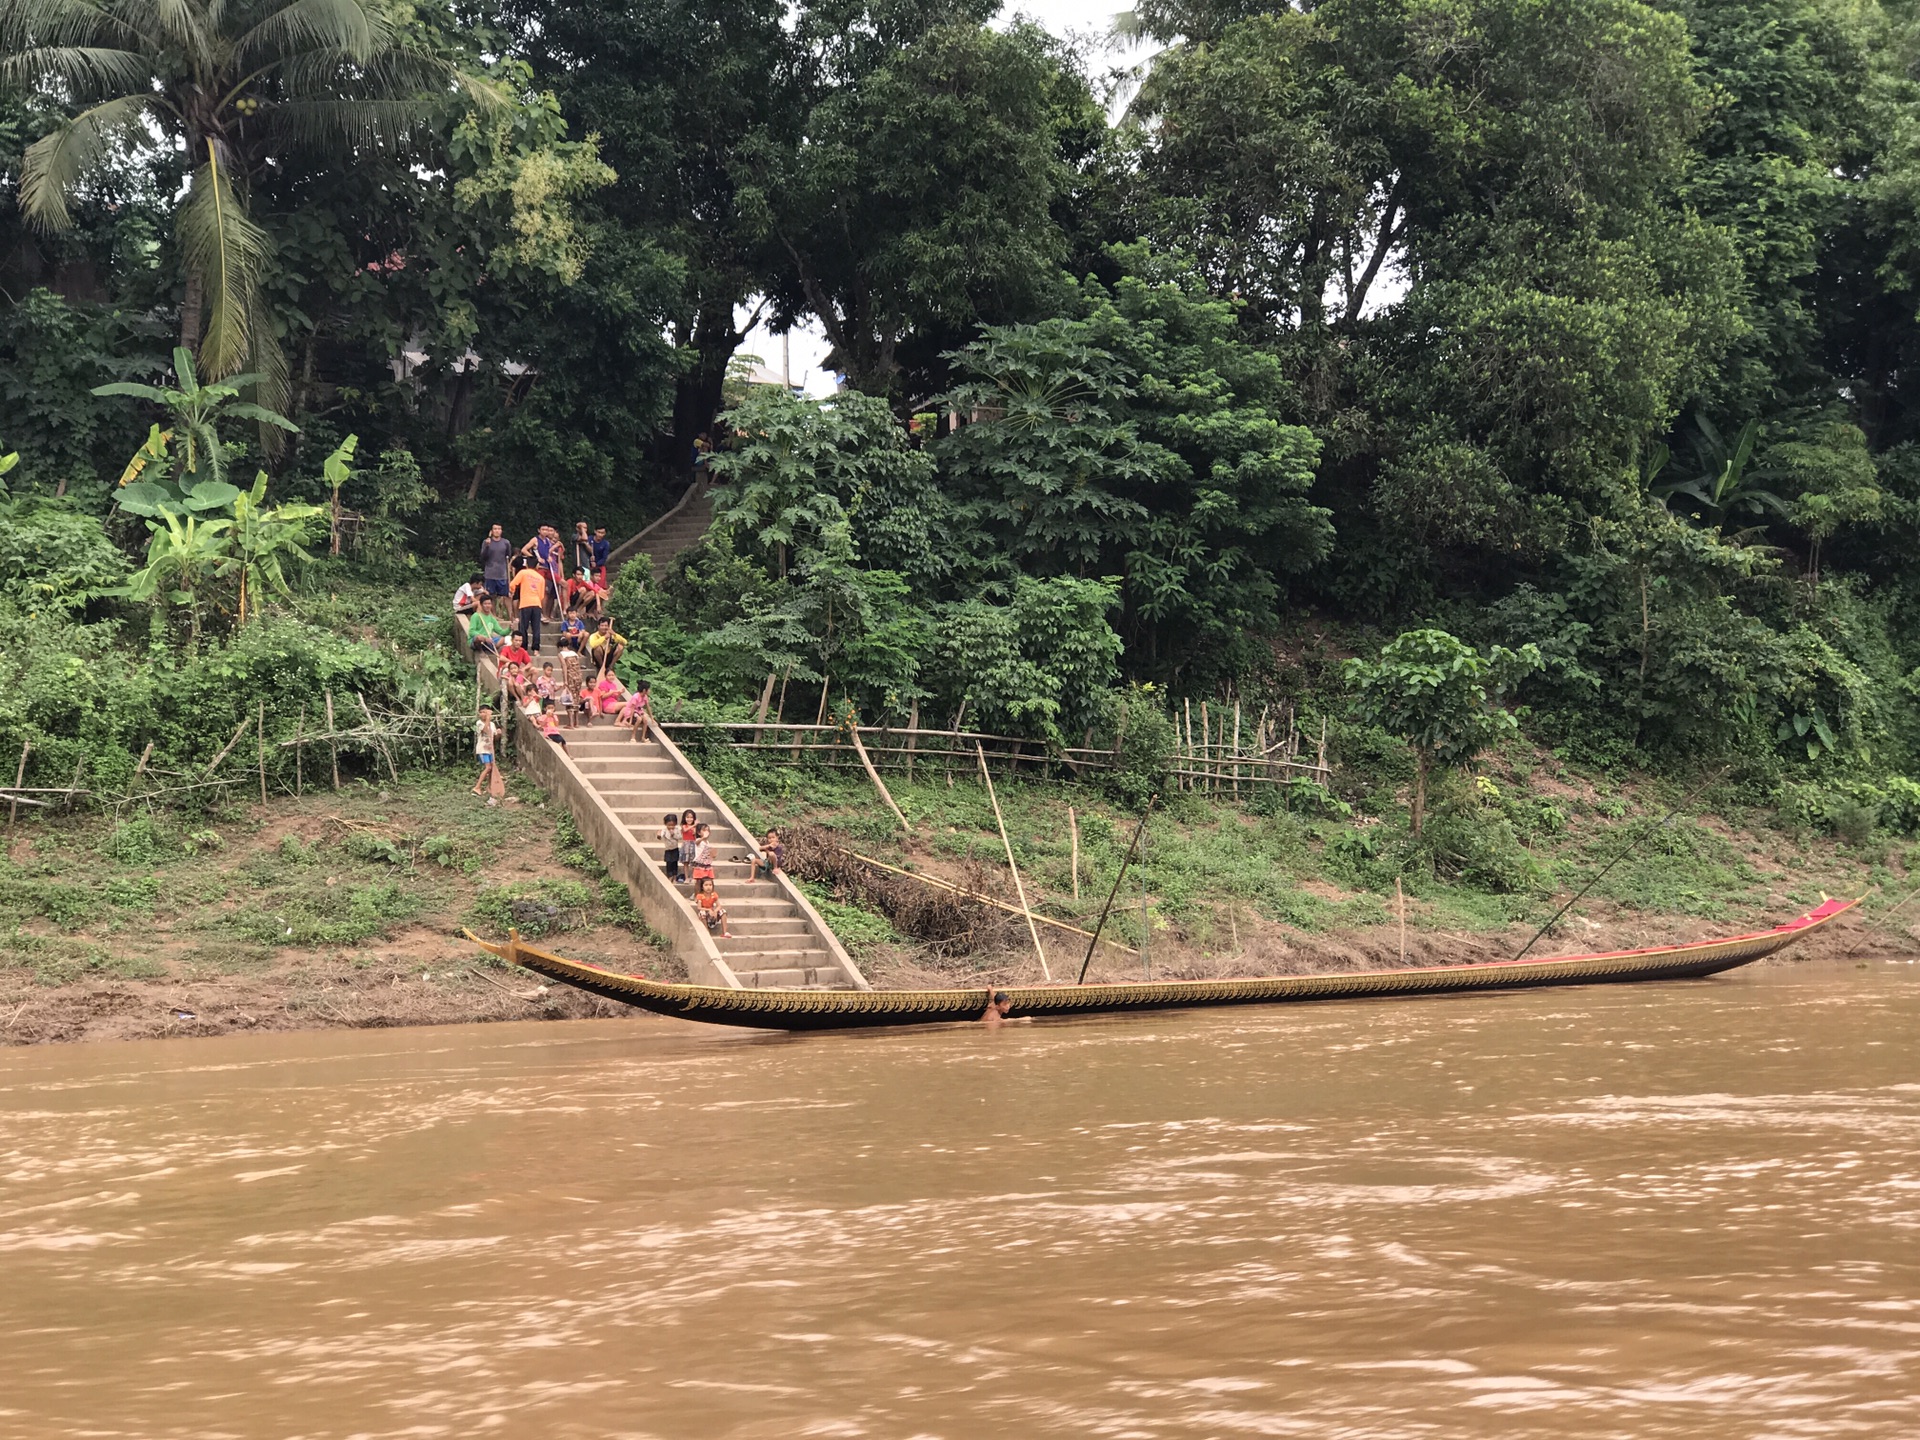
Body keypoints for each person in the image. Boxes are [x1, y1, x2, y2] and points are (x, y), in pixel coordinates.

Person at [508, 555, 547, 652]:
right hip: (537, 603)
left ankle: (524, 647)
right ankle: (536, 649)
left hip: (525, 603)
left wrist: (512, 591)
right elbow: (542, 595)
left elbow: (512, 584)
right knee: (536, 627)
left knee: (523, 627)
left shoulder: (523, 573)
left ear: (526, 565)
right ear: (537, 565)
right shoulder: (541, 578)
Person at [479, 524, 513, 600]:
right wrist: (487, 546)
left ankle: (509, 612)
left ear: (501, 531)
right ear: (491, 531)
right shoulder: (486, 542)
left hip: (502, 574)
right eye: (495, 529)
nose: (497, 531)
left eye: (499, 529)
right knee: (490, 596)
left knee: (505, 596)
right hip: (490, 574)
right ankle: (493, 612)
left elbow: (508, 555)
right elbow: (483, 557)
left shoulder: (506, 542)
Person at [473, 706, 500, 800]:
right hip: (482, 749)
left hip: (490, 750)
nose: (483, 714)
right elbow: (484, 730)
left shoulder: (492, 724)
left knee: (491, 768)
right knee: (488, 767)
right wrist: (488, 718)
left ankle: (489, 787)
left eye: (485, 712)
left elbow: (495, 737)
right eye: (482, 712)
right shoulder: (479, 723)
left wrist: (499, 734)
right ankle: (477, 787)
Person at [658, 813, 681, 883]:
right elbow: (661, 835)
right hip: (668, 849)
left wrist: (673, 834)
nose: (671, 827)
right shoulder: (664, 830)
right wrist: (659, 835)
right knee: (669, 863)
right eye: (669, 825)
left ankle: (674, 876)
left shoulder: (677, 830)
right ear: (665, 824)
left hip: (675, 849)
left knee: (675, 862)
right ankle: (669, 875)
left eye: (673, 825)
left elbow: (680, 837)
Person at [690, 822, 715, 887]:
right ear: (699, 833)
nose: (706, 832)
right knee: (698, 881)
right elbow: (696, 842)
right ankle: (696, 895)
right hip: (699, 864)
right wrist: (703, 838)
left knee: (707, 880)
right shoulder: (699, 840)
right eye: (704, 830)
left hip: (706, 863)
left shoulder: (708, 842)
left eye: (708, 830)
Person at [679, 809, 698, 882]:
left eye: (691, 817)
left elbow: (696, 835)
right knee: (685, 862)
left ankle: (693, 877)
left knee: (693, 862)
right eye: (687, 817)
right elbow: (685, 830)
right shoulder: (684, 826)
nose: (689, 819)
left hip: (693, 845)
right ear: (684, 818)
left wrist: (695, 829)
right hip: (686, 845)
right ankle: (686, 878)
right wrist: (693, 825)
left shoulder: (695, 827)